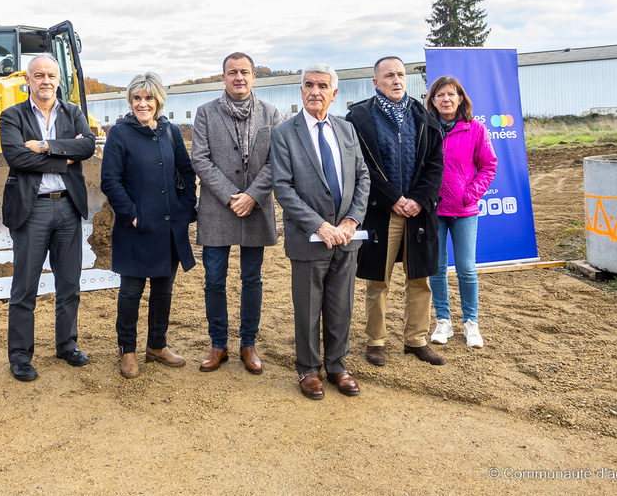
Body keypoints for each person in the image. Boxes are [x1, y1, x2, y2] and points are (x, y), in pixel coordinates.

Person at [271, 64, 369, 399]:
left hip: (346, 238)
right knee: (308, 309)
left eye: (322, 86)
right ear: (301, 91)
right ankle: (309, 370)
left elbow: (362, 178)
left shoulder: (346, 130)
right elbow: (283, 187)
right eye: (309, 85)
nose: (315, 91)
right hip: (309, 240)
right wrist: (319, 225)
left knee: (341, 307)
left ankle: (337, 366)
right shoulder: (284, 133)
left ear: (334, 93)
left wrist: (351, 221)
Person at [0, 54, 97, 382]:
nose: (45, 80)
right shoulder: (11, 115)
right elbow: (15, 155)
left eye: (51, 75)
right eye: (38, 75)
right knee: (24, 287)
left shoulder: (73, 112)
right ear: (27, 80)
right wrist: (61, 157)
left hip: (68, 207)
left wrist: (42, 145)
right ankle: (20, 357)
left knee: (69, 284)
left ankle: (67, 344)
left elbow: (86, 148)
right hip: (32, 209)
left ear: (59, 80)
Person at [346, 56, 446, 367]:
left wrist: (417, 199)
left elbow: (435, 165)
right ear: (376, 82)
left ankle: (416, 339)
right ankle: (375, 341)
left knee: (420, 279)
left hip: (418, 213)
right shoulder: (359, 118)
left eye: (401, 74)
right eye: (389, 76)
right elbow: (359, 167)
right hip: (381, 212)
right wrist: (392, 197)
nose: (396, 80)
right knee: (379, 281)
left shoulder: (423, 116)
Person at [101, 73, 197, 379]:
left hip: (168, 227)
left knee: (163, 289)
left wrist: (184, 207)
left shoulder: (170, 132)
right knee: (131, 291)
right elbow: (110, 181)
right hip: (136, 227)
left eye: (149, 98)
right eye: (138, 98)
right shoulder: (120, 133)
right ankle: (126, 350)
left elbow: (186, 170)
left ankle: (157, 345)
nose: (143, 104)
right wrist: (131, 214)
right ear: (131, 101)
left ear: (158, 101)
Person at [191, 53, 281, 374]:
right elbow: (200, 160)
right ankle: (218, 344)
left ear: (254, 76)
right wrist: (233, 198)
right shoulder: (205, 114)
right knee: (214, 279)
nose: (238, 77)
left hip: (255, 209)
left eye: (244, 72)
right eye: (232, 72)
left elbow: (276, 161)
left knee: (251, 278)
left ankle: (248, 343)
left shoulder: (271, 114)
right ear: (223, 78)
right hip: (218, 209)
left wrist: (252, 196)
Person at [425, 76, 497, 349]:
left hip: (465, 210)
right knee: (437, 268)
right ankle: (443, 321)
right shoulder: (427, 129)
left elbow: (489, 165)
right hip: (433, 210)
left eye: (451, 94)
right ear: (432, 101)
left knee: (466, 269)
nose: (446, 99)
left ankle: (471, 323)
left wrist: (470, 194)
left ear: (460, 99)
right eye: (440, 94)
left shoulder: (475, 129)